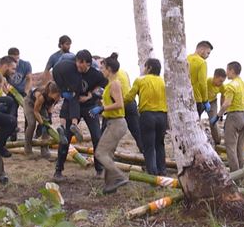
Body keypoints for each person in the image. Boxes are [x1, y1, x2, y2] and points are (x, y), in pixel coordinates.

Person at [53, 50, 108, 181]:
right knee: (65, 137)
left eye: (80, 63)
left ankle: (99, 169)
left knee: (96, 137)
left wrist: (90, 95)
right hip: (71, 103)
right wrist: (62, 91)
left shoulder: (95, 74)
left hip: (89, 106)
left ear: (87, 63)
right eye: (76, 62)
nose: (78, 65)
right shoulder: (70, 69)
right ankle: (58, 170)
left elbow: (103, 86)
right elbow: (58, 78)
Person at [88, 53, 129, 194]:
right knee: (108, 153)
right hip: (112, 122)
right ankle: (110, 186)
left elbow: (119, 104)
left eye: (103, 68)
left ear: (109, 69)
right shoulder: (110, 84)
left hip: (117, 123)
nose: (101, 71)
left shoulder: (115, 84)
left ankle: (119, 176)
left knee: (100, 153)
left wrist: (102, 108)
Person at [210, 61, 244, 173]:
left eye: (227, 71)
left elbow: (227, 104)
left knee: (230, 147)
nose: (226, 74)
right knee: (240, 147)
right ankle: (241, 172)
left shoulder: (231, 86)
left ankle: (235, 175)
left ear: (232, 71)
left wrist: (218, 116)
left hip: (234, 116)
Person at [125, 58, 168, 175]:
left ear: (149, 68)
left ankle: (153, 175)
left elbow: (129, 98)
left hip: (147, 116)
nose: (143, 69)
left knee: (149, 147)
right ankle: (162, 171)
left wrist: (117, 101)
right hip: (163, 116)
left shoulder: (140, 80)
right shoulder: (163, 82)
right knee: (160, 144)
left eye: (145, 67)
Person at [23, 81, 60, 159]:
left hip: (42, 106)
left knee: (48, 126)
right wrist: (42, 123)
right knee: (32, 124)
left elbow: (51, 106)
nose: (59, 97)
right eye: (57, 95)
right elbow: (36, 111)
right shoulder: (41, 96)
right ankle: (27, 149)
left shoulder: (56, 97)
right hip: (30, 103)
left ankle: (44, 150)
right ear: (51, 93)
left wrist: (48, 118)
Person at [7, 47, 32, 141]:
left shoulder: (26, 64)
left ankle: (28, 135)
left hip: (23, 91)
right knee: (12, 113)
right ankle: (13, 135)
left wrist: (26, 92)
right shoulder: (6, 65)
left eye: (17, 58)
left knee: (28, 113)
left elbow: (29, 79)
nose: (16, 61)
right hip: (11, 92)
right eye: (13, 59)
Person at [188, 40, 213, 117]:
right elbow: (203, 83)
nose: (208, 56)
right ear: (202, 50)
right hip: (196, 98)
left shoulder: (187, 58)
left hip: (184, 97)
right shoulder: (202, 62)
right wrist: (205, 100)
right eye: (208, 53)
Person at [207, 68, 227, 145]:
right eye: (220, 81)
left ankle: (217, 141)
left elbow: (222, 97)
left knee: (213, 122)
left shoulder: (222, 86)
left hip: (212, 102)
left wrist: (222, 111)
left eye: (223, 81)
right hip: (202, 101)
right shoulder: (208, 81)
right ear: (215, 77)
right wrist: (204, 102)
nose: (221, 83)